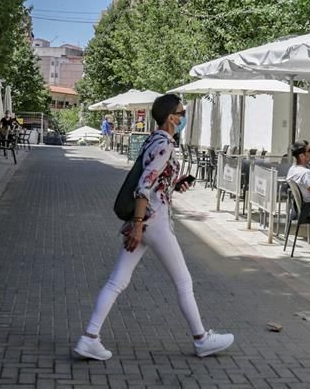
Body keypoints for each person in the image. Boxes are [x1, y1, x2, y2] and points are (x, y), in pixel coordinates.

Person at [74, 94, 233, 362]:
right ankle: (201, 339)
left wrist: (174, 182)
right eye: (181, 113)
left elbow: (155, 180)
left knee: (117, 281)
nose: (183, 117)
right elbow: (144, 185)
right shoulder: (166, 145)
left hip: (146, 219)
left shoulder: (154, 140)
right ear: (171, 117)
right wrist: (137, 225)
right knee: (183, 281)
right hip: (154, 220)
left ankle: (90, 337)